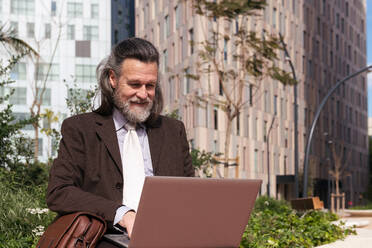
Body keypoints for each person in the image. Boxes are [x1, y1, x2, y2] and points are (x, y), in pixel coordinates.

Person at [46, 37, 194, 247]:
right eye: (134, 84)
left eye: (150, 85)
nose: (143, 94)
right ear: (113, 79)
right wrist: (121, 214)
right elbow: (58, 192)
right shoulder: (80, 129)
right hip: (105, 240)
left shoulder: (173, 131)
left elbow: (190, 194)